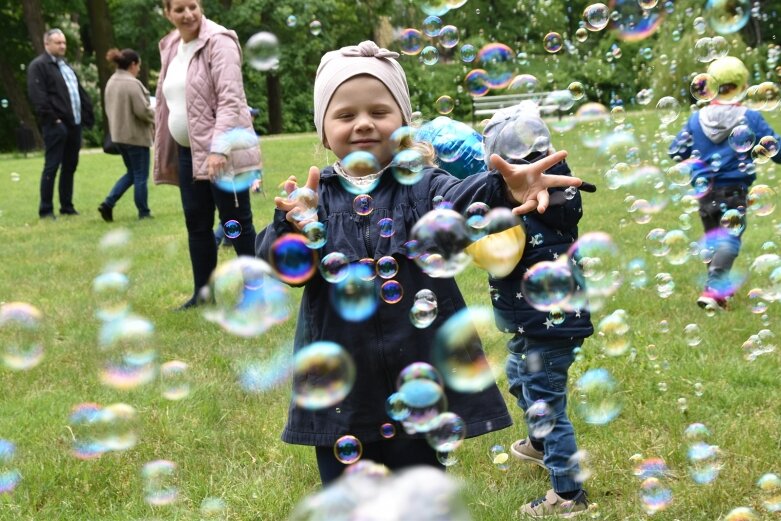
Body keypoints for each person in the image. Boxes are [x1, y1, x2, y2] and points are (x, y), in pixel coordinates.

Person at [255, 40, 585, 485]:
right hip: (343, 387)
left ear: (405, 124)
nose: (364, 123)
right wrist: (289, 229)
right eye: (346, 115)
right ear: (322, 129)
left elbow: (461, 202)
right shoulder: (315, 200)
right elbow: (279, 267)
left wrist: (504, 191)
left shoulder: (422, 185)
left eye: (379, 111)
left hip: (420, 377)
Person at [477, 102, 594, 517]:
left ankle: (568, 494)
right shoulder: (561, 195)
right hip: (538, 323)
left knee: (547, 402)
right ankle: (541, 444)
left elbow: (497, 259)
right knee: (516, 376)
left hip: (545, 326)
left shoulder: (525, 209)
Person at [153, 0, 260, 309]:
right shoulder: (172, 46)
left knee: (235, 221)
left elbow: (230, 98)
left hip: (220, 151)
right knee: (197, 224)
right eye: (179, 9)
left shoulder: (219, 41)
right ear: (167, 13)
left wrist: (219, 149)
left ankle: (255, 292)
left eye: (193, 6)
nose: (188, 14)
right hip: (187, 152)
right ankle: (203, 295)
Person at [669, 56, 781, 310]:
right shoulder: (750, 117)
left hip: (704, 189)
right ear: (743, 85)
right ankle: (714, 290)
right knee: (729, 239)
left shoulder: (696, 119)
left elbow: (675, 151)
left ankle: (718, 291)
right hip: (734, 188)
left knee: (714, 238)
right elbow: (776, 148)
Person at [27, 28, 94, 219]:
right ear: (46, 44)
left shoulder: (65, 66)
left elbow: (78, 92)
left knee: (70, 166)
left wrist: (87, 115)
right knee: (52, 166)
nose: (62, 46)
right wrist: (54, 119)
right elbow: (38, 96)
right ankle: (46, 209)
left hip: (74, 124)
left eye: (64, 42)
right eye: (58, 42)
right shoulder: (38, 66)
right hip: (55, 124)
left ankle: (67, 206)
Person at [98, 48, 155, 222]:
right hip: (136, 137)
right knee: (140, 176)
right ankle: (143, 212)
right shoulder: (132, 84)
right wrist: (157, 113)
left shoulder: (112, 81)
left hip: (119, 136)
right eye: (138, 66)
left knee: (132, 173)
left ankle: (108, 203)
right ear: (133, 64)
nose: (139, 69)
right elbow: (142, 111)